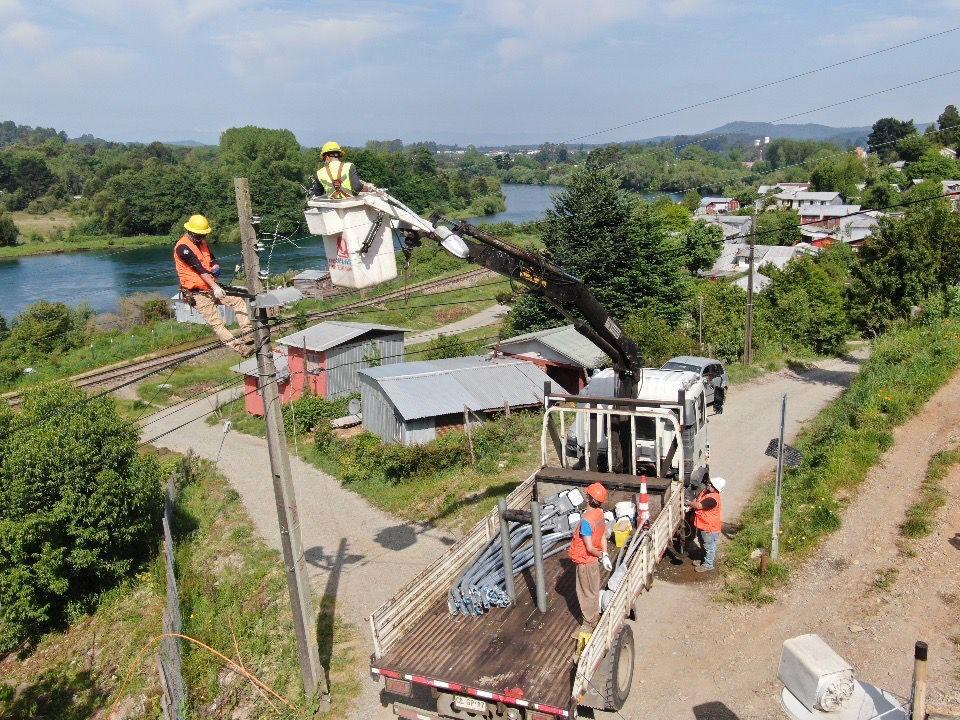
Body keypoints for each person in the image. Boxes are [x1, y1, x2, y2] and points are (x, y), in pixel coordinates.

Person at [174, 214, 254, 356]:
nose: (201, 238)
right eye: (199, 235)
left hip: (210, 287)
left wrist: (215, 266)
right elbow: (200, 269)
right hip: (197, 293)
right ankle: (240, 348)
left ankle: (248, 334)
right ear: (190, 232)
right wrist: (216, 287)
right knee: (217, 323)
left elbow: (212, 259)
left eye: (203, 235)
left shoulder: (203, 243)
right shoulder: (183, 248)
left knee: (237, 300)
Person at [568, 482, 613, 631]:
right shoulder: (599, 514)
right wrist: (605, 554)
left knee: (585, 593)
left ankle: (589, 624)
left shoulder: (587, 521)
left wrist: (601, 555)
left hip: (585, 561)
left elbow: (588, 547)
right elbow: (602, 537)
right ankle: (594, 617)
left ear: (588, 498)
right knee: (593, 591)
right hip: (593, 561)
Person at [312, 141, 381, 198]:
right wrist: (365, 187)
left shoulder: (319, 173)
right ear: (339, 155)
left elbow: (318, 194)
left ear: (326, 157)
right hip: (351, 206)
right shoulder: (350, 166)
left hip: (333, 209)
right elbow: (357, 188)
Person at [688, 476, 726, 572]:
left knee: (709, 547)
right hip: (703, 526)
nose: (709, 484)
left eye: (711, 484)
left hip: (709, 528)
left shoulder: (712, 499)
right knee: (703, 543)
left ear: (715, 488)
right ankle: (703, 558)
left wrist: (688, 503)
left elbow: (699, 505)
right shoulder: (707, 493)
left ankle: (708, 564)